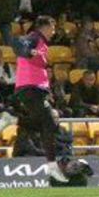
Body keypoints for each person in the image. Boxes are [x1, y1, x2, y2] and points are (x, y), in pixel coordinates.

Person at [10, 17, 60, 168]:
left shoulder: (42, 42)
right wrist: (28, 52)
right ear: (44, 27)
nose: (53, 32)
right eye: (52, 28)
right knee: (50, 123)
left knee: (46, 124)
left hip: (37, 88)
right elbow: (17, 42)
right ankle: (52, 166)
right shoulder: (35, 37)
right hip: (30, 86)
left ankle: (12, 120)